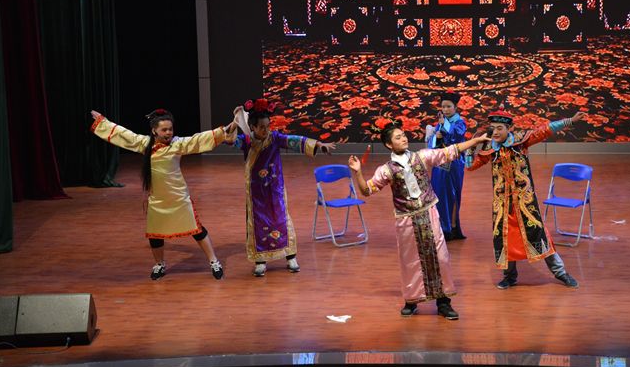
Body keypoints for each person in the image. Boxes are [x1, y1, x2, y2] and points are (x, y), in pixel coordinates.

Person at [348, 121, 489, 319]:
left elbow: (450, 151)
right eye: (398, 137)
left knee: (440, 257)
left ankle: (443, 301)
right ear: (389, 144)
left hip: (429, 213)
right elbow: (366, 190)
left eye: (403, 135)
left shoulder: (422, 156)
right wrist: (357, 172)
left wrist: (475, 141)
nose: (403, 138)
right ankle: (412, 300)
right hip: (406, 219)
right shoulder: (386, 170)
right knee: (410, 261)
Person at [90, 108, 235, 280]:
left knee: (196, 230)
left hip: (178, 197)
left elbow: (198, 139)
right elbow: (125, 135)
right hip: (157, 199)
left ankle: (214, 261)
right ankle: (159, 264)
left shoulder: (178, 144)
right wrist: (103, 122)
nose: (168, 133)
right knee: (155, 234)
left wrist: (224, 131)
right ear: (154, 131)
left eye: (170, 129)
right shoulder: (145, 144)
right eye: (164, 130)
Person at [465, 106, 586, 290]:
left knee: (538, 233)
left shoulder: (520, 141)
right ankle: (509, 276)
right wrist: (472, 147)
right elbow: (470, 167)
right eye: (493, 128)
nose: (495, 132)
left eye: (500, 128)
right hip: (502, 203)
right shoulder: (489, 149)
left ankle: (561, 273)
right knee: (504, 237)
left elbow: (545, 130)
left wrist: (570, 120)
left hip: (525, 201)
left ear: (509, 129)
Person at [227, 98, 336, 277]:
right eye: (261, 127)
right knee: (258, 223)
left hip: (275, 189)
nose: (266, 130)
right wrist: (235, 122)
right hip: (256, 193)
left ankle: (290, 256)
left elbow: (295, 141)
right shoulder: (246, 141)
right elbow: (230, 140)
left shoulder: (275, 138)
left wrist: (318, 144)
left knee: (281, 220)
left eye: (267, 126)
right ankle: (260, 261)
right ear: (252, 127)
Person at [425, 92, 467, 241]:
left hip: (454, 163)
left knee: (452, 193)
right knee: (439, 193)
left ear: (455, 107)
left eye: (449, 106)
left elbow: (455, 137)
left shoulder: (460, 123)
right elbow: (432, 144)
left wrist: (443, 127)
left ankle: (452, 226)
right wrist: (436, 138)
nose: (446, 109)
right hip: (440, 163)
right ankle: (442, 227)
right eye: (443, 107)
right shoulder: (441, 123)